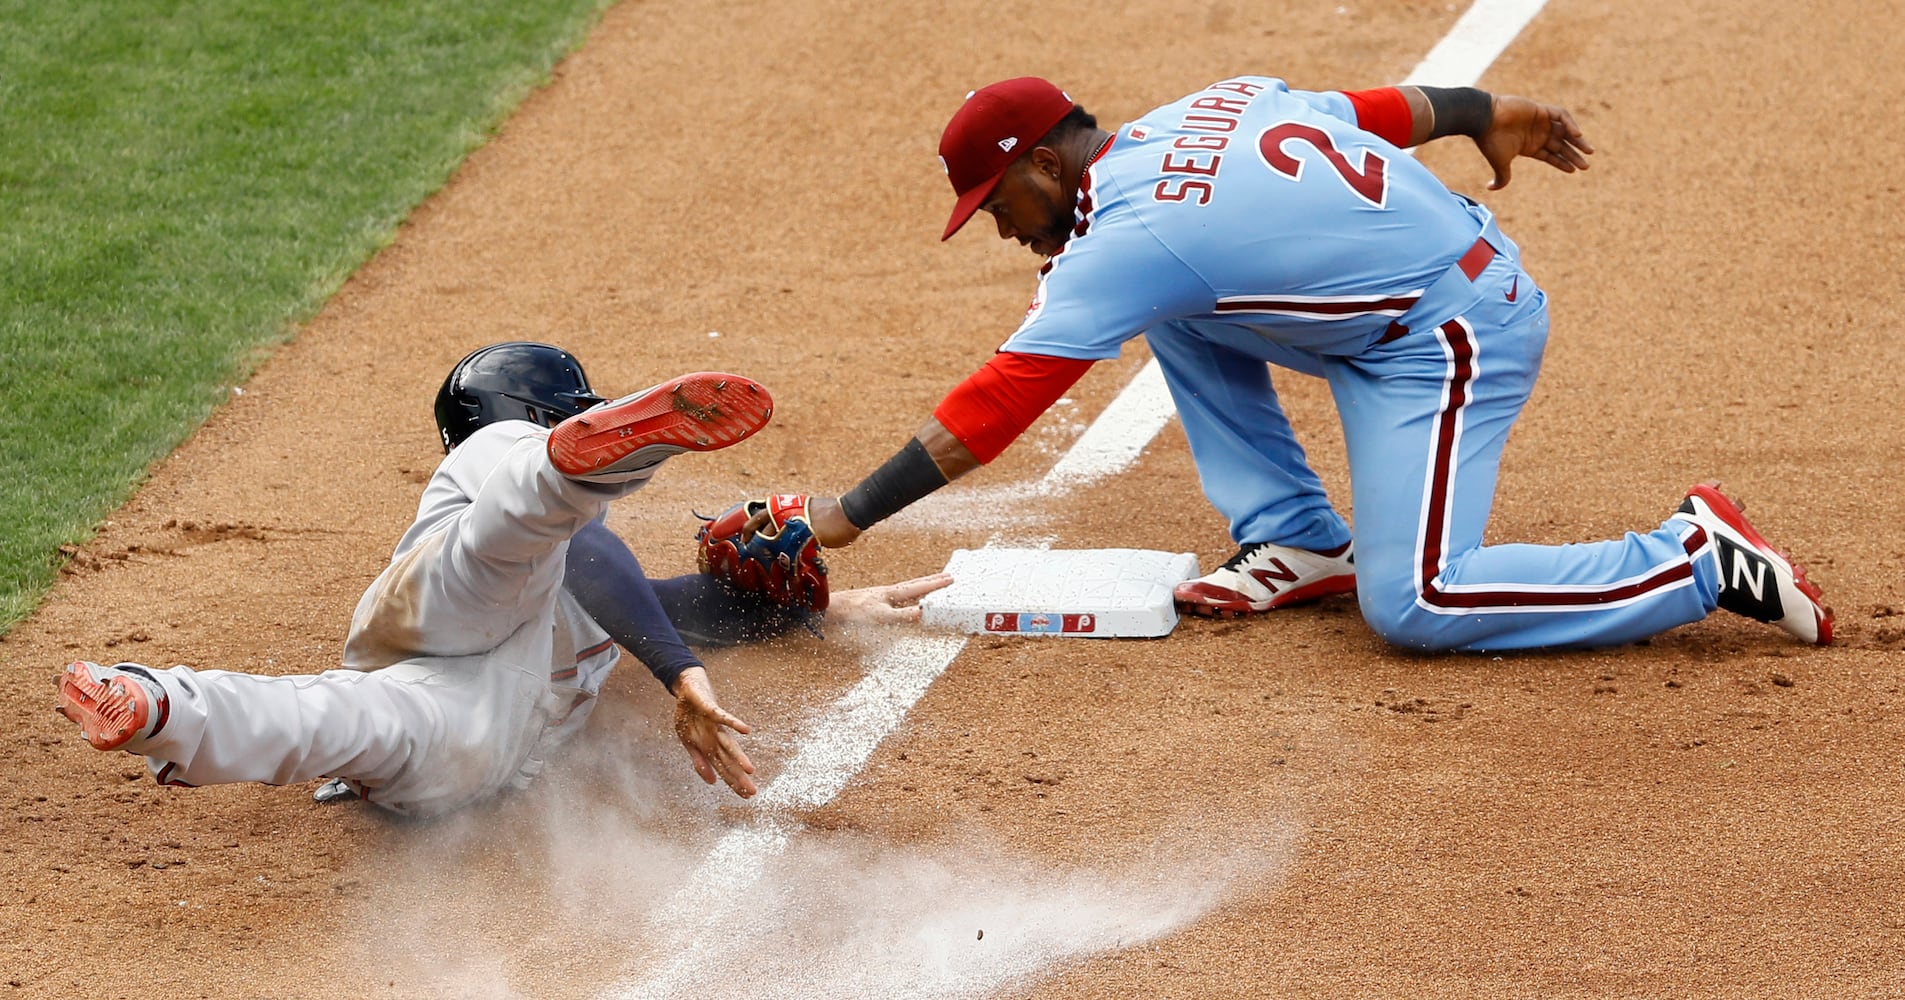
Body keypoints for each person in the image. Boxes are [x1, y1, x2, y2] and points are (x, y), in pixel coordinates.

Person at [780, 76, 1830, 651]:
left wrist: (839, 517)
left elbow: (991, 408)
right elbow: (1367, 112)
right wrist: (1477, 111)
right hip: (1404, 313)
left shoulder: (1128, 242)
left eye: (999, 205)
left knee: (1418, 602)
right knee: (1184, 306)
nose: (1004, 230)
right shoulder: (1195, 113)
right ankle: (1297, 538)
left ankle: (1692, 557)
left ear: (1044, 165)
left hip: (1454, 338)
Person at [55, 342, 950, 816]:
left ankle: (155, 705)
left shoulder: (610, 597)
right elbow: (598, 565)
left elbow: (651, 604)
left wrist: (804, 609)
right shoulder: (550, 516)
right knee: (514, 528)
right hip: (461, 593)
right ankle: (573, 467)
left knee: (342, 722)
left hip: (474, 727)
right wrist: (679, 672)